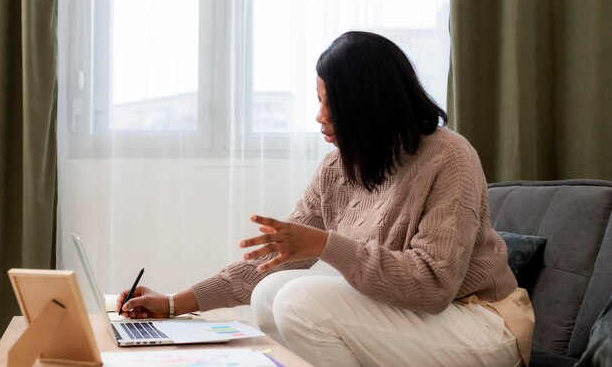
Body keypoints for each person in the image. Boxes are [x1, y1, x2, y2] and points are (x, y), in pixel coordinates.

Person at [116, 31, 534, 367]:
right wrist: (172, 304)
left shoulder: (450, 157)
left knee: (301, 301)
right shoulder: (338, 168)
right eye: (319, 101)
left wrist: (326, 245)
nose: (319, 116)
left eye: (331, 104)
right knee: (271, 293)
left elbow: (432, 286)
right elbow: (270, 264)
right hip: (417, 321)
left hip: (480, 322)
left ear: (369, 105)